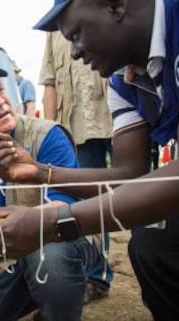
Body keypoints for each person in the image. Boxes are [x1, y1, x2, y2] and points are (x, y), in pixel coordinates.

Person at [0, 0, 179, 320]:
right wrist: (41, 172)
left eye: (76, 34)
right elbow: (127, 176)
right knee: (151, 247)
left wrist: (54, 223)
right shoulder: (124, 80)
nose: (75, 52)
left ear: (116, 7)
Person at [0, 60, 103, 321]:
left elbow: (65, 206)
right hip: (5, 259)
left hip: (62, 241)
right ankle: (35, 296)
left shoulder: (48, 135)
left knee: (48, 256)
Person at [39, 31, 113, 300]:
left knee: (141, 189)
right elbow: (49, 82)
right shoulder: (53, 31)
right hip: (77, 128)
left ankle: (160, 268)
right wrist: (50, 130)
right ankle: (97, 276)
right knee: (88, 204)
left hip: (120, 119)